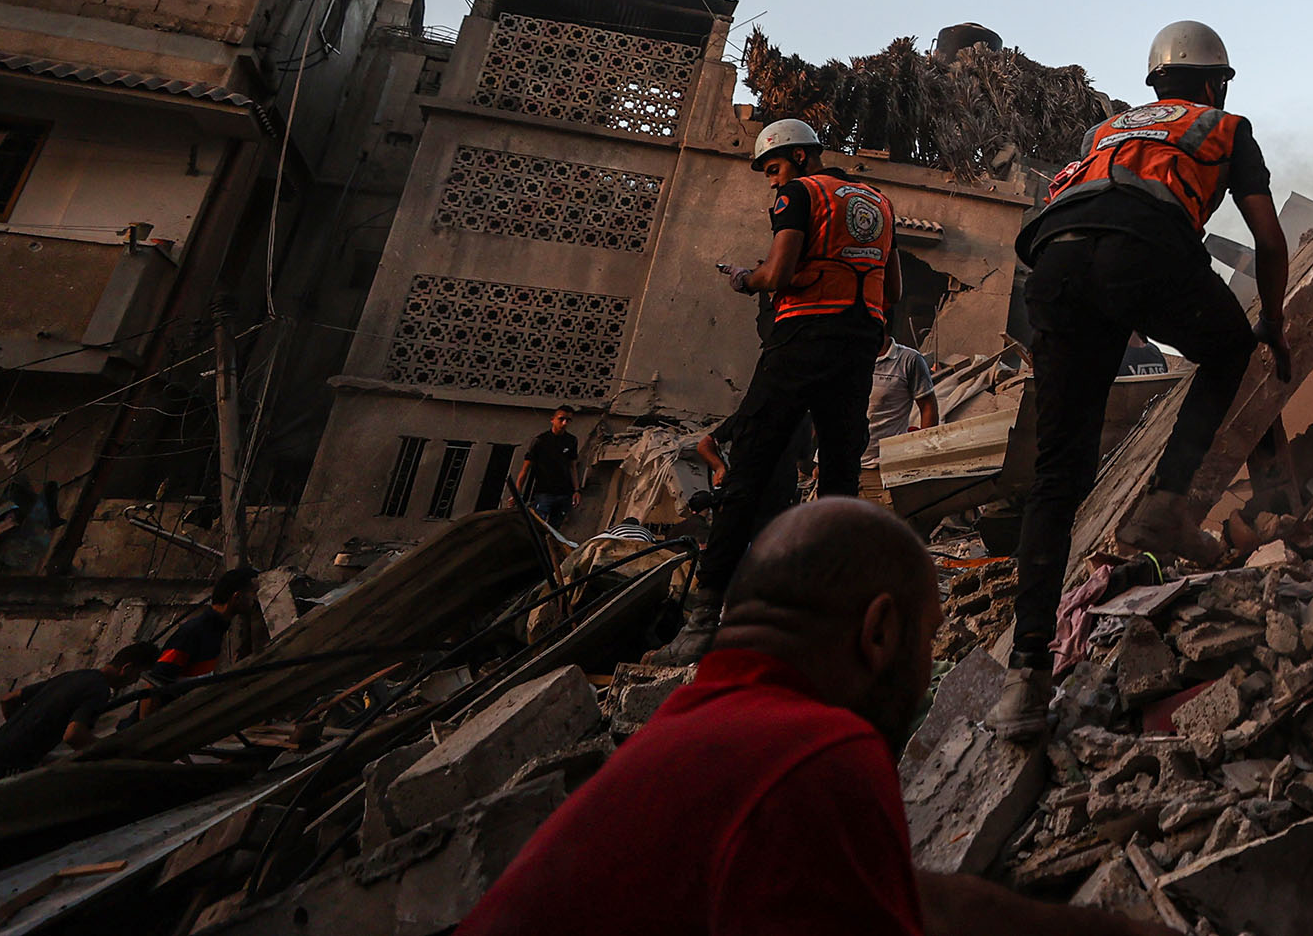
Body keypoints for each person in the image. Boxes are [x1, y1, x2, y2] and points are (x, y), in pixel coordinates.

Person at [459, 499, 1160, 936]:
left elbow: (907, 901)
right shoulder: (815, 753)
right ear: (880, 631)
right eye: (927, 639)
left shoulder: (703, 730)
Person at [990, 22, 1291, 741]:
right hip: (1144, 250)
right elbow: (1269, 241)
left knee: (1059, 474)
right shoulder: (1223, 125)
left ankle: (1024, 681)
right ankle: (1165, 501)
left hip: (1055, 266)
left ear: (1154, 83)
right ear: (1216, 80)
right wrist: (1271, 322)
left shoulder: (1108, 131)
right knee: (1226, 348)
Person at [656, 120, 895, 665]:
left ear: (802, 157)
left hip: (802, 338)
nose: (772, 182)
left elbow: (782, 271)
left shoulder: (799, 194)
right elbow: (894, 286)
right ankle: (831, 616)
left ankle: (699, 625)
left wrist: (747, 278)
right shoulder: (880, 203)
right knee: (840, 477)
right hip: (858, 344)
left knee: (748, 472)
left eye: (774, 168)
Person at [0, 641, 157, 776]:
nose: (134, 682)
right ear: (127, 669)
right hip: (10, 763)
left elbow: (9, 699)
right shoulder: (99, 689)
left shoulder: (74, 675)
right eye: (138, 675)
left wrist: (24, 730)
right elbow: (74, 735)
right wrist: (112, 752)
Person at [864, 334, 939, 468]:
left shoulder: (908, 360)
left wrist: (925, 456)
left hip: (885, 465)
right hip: (844, 465)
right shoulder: (848, 357)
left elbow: (928, 407)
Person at [513, 406, 581, 532]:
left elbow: (572, 467)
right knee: (537, 527)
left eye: (568, 420)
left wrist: (577, 490)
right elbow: (525, 469)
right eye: (561, 419)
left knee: (554, 530)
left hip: (564, 494)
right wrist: (517, 492)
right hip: (544, 493)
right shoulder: (540, 441)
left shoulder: (571, 441)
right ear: (553, 419)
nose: (564, 423)